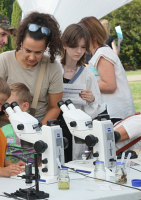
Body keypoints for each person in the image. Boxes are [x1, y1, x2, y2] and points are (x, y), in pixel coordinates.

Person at [0, 12, 64, 125]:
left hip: (39, 122)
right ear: (20, 41)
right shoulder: (5, 59)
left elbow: (55, 107)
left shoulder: (53, 67)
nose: (32, 57)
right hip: (6, 122)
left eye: (38, 52)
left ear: (46, 47)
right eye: (27, 50)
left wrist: (38, 130)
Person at [79, 17, 135, 124]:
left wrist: (84, 84)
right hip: (112, 110)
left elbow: (110, 85)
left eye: (82, 35)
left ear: (93, 36)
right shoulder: (99, 53)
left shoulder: (102, 53)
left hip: (116, 113)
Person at [58, 24, 101, 161]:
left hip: (76, 129)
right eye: (74, 46)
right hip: (55, 124)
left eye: (83, 47)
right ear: (64, 45)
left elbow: (96, 108)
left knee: (75, 163)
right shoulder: (54, 70)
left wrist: (92, 99)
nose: (79, 51)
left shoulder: (87, 74)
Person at [0, 83, 41, 165]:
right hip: (10, 172)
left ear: (25, 106)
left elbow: (45, 156)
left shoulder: (38, 130)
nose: (6, 110)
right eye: (5, 106)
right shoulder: (2, 131)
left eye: (11, 106)